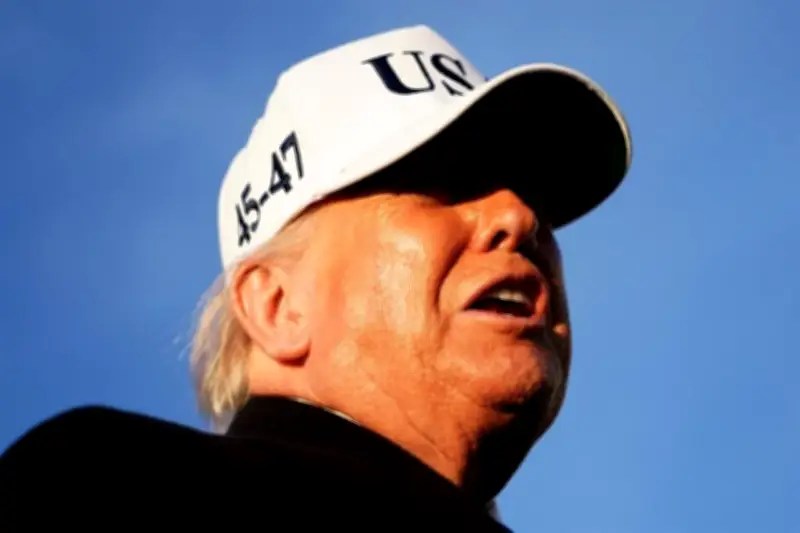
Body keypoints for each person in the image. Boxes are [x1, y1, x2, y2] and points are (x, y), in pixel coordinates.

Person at [0, 25, 632, 530]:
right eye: (442, 184)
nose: (519, 217)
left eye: (530, 195)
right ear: (278, 305)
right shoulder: (115, 488)